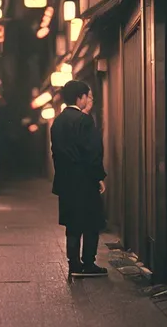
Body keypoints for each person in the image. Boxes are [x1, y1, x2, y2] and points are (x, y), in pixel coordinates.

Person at [50, 80, 108, 277]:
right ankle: (89, 263)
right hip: (85, 180)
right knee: (91, 222)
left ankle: (74, 263)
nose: (88, 99)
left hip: (66, 181)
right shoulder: (84, 121)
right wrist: (98, 176)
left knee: (72, 224)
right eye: (87, 96)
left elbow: (55, 152)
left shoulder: (57, 122)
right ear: (80, 97)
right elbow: (93, 151)